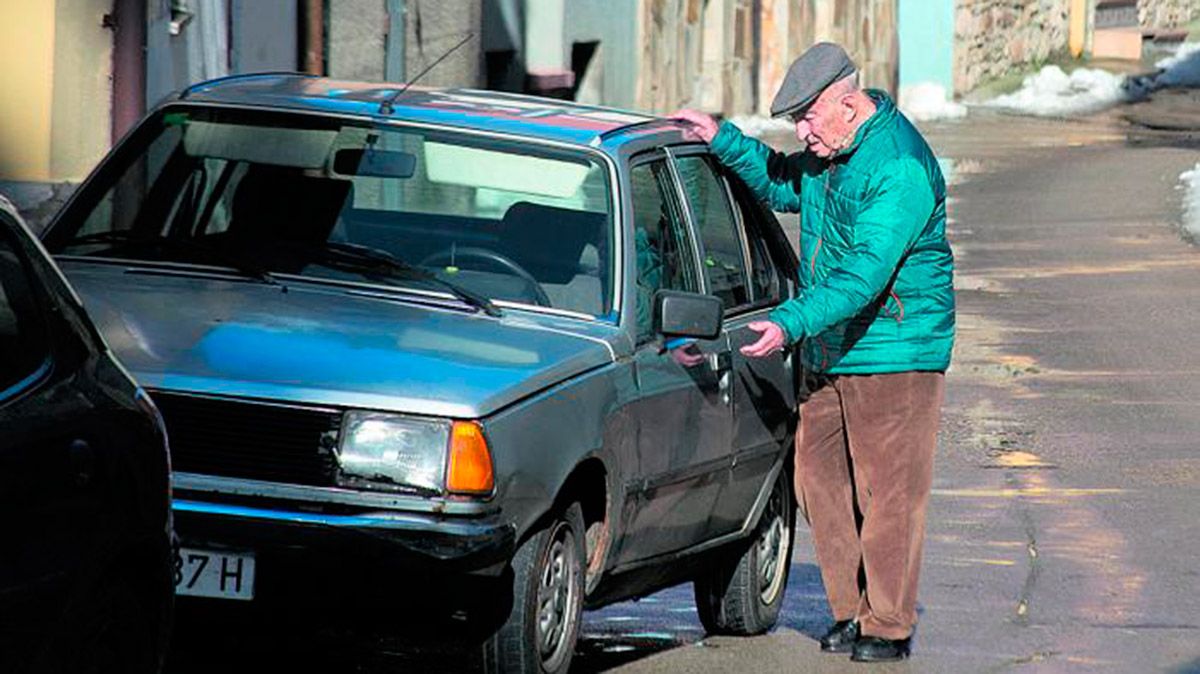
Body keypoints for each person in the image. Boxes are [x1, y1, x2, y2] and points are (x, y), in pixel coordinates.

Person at [672, 42, 955, 663]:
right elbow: (781, 182)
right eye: (796, 121)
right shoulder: (833, 155)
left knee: (888, 495)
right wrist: (722, 139)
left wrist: (788, 322)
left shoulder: (898, 168)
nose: (801, 132)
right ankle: (851, 612)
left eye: (807, 118)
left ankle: (888, 624)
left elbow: (862, 277)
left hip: (895, 350)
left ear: (848, 106)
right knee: (819, 482)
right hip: (833, 347)